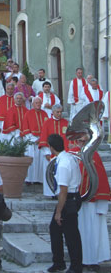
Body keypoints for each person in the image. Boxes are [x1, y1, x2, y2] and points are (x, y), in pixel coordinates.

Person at [71, 138, 111, 270]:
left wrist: (102, 203)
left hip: (92, 202)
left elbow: (101, 179)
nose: (80, 143)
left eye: (83, 140)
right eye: (79, 140)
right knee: (80, 232)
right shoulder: (73, 155)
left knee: (93, 233)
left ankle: (93, 260)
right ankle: (81, 259)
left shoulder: (94, 156)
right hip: (78, 202)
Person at [47, 134, 82, 273]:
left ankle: (75, 266)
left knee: (71, 235)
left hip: (69, 200)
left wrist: (59, 212)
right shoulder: (67, 158)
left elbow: (63, 190)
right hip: (70, 198)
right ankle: (58, 262)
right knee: (55, 230)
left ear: (51, 147)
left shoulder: (63, 164)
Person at [39, 104, 69, 197]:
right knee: (50, 173)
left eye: (60, 112)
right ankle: (50, 192)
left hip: (63, 154)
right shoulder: (47, 123)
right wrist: (47, 153)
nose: (59, 114)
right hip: (50, 153)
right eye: (57, 112)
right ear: (53, 112)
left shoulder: (66, 123)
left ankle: (61, 193)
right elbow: (44, 138)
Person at [22, 97, 48, 184]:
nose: (38, 104)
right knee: (32, 161)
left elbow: (47, 128)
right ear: (33, 104)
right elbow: (25, 129)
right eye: (36, 103)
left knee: (41, 161)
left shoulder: (45, 114)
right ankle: (29, 179)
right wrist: (34, 140)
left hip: (42, 141)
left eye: (39, 103)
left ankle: (39, 179)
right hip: (32, 141)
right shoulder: (28, 114)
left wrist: (42, 139)